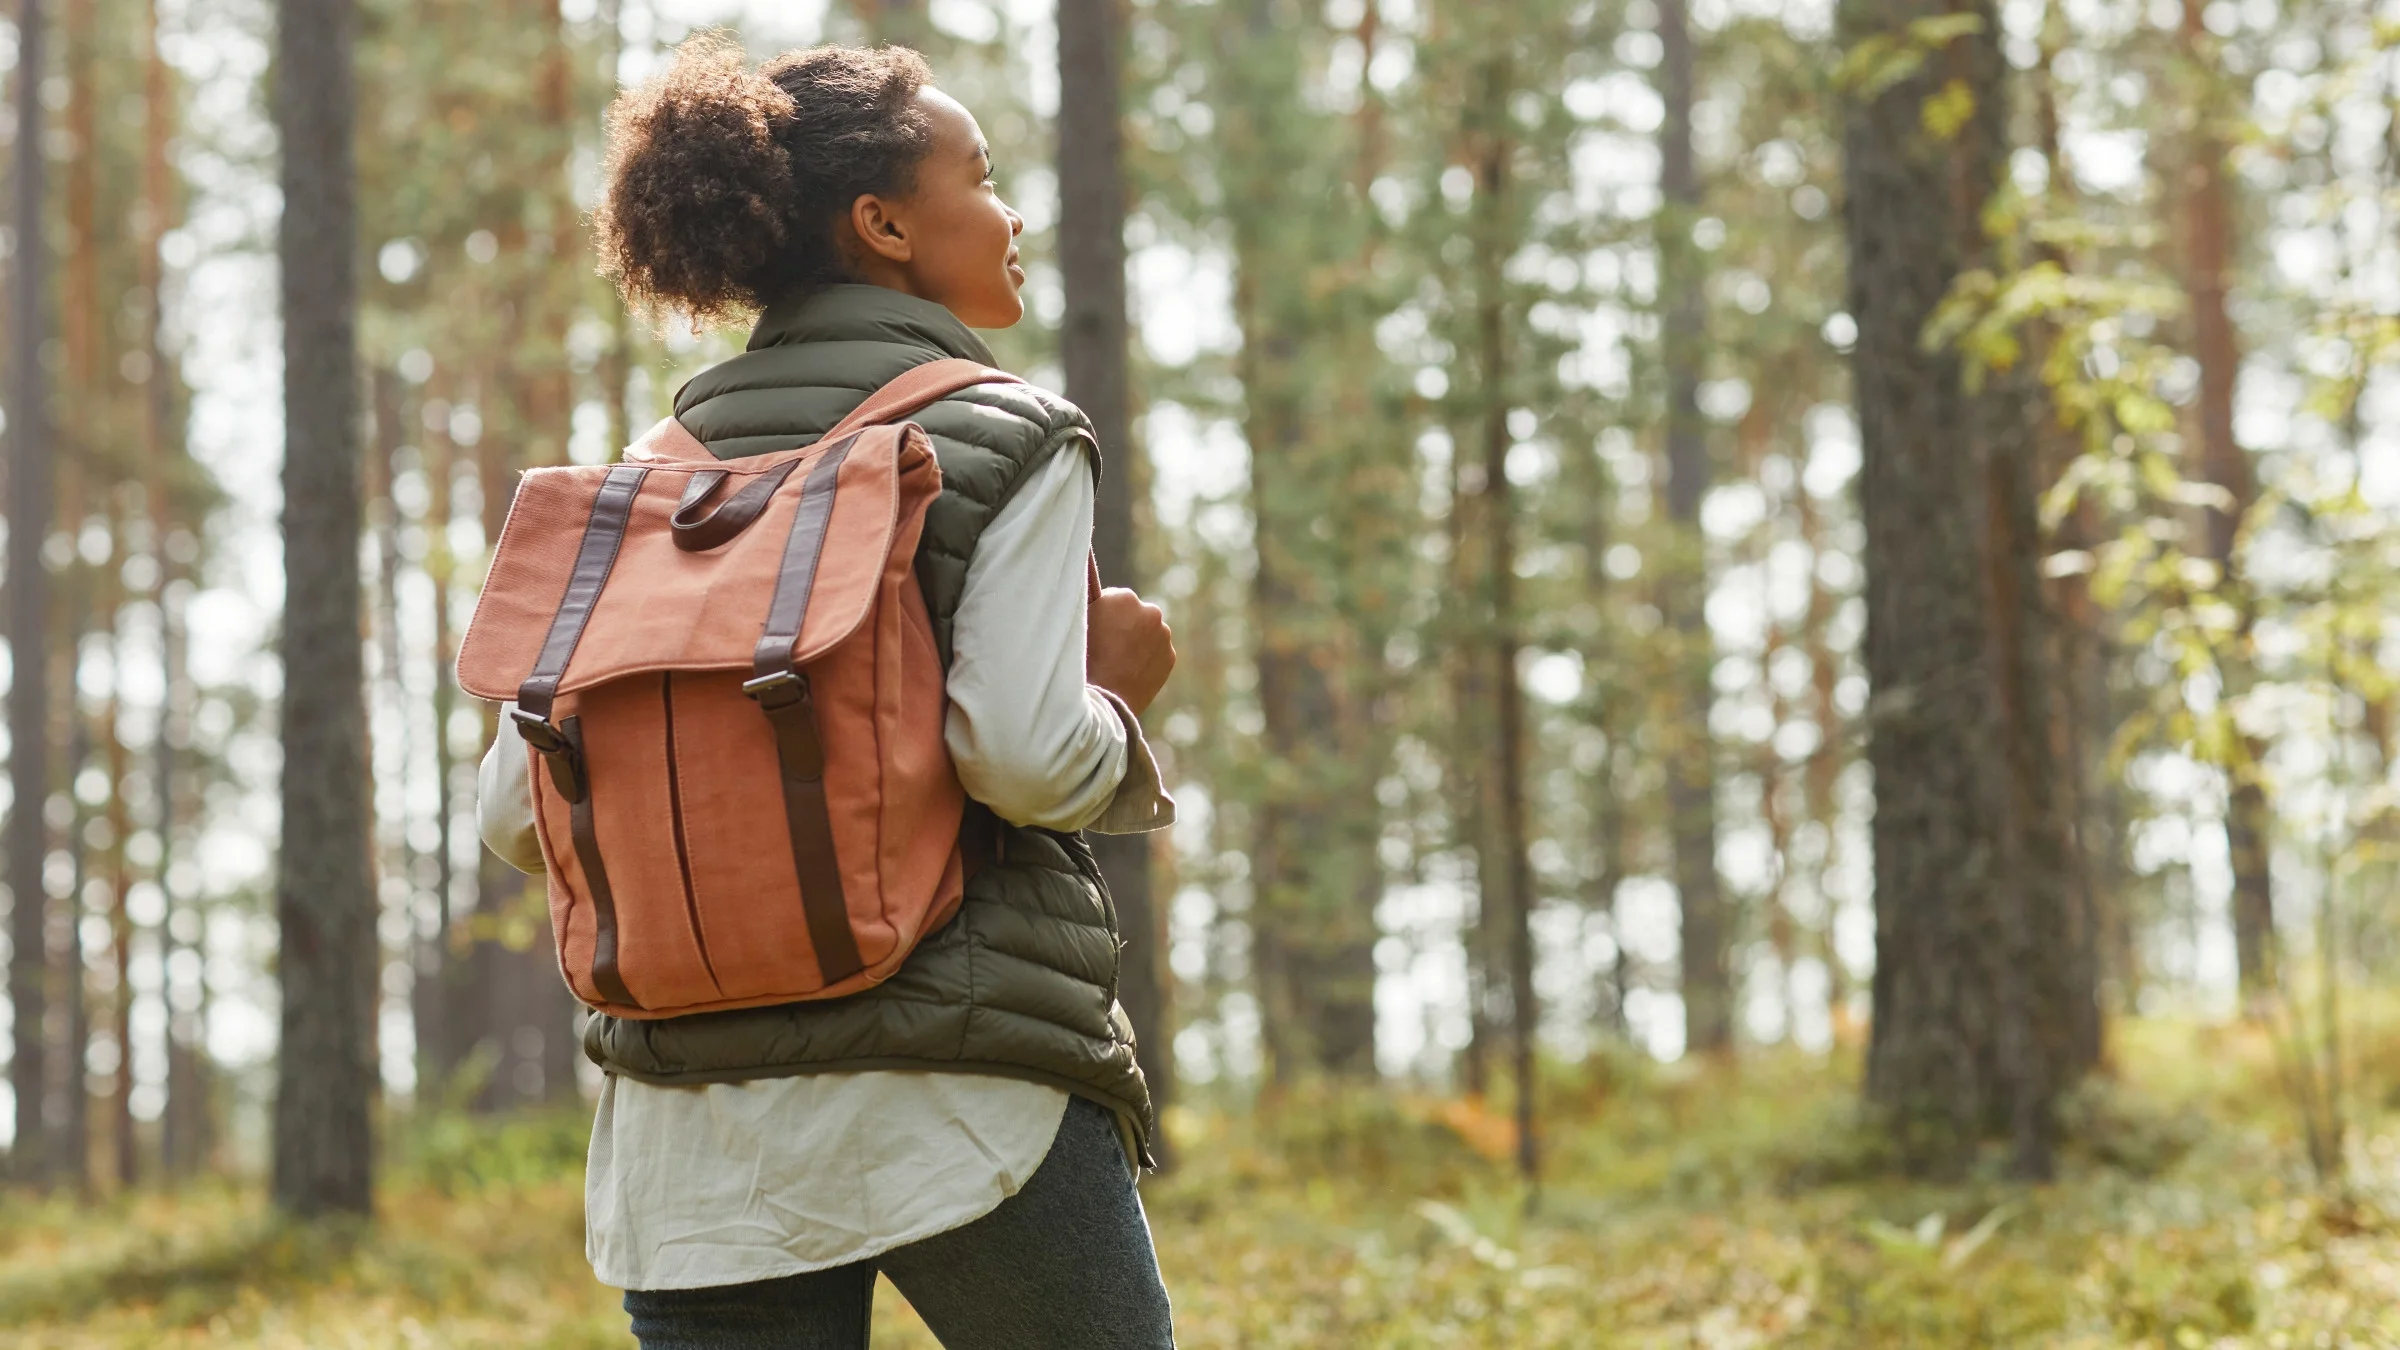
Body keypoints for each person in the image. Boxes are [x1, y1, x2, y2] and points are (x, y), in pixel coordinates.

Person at [476, 36, 1179, 1349]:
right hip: (959, 1099)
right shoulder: (1004, 432)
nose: (1010, 209)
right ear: (886, 223)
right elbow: (1022, 757)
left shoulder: (648, 480)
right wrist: (1117, 701)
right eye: (979, 174)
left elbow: (513, 817)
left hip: (697, 1138)